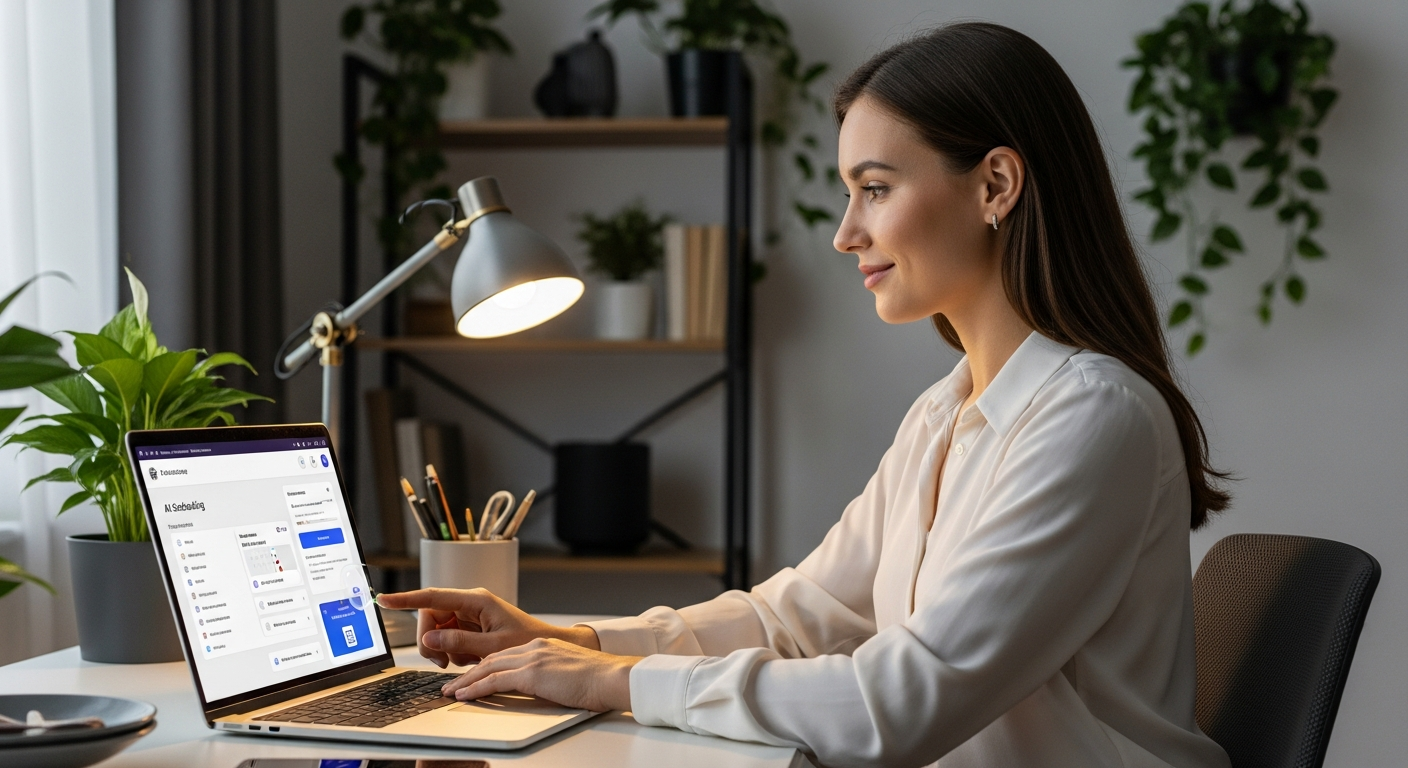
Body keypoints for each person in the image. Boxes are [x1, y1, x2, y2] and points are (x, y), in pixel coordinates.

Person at [376, 22, 1234, 768]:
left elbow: (901, 704)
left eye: (875, 188)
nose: (845, 232)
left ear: (995, 186)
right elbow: (797, 615)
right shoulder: (947, 414)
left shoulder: (1091, 417)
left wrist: (619, 684)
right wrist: (572, 642)